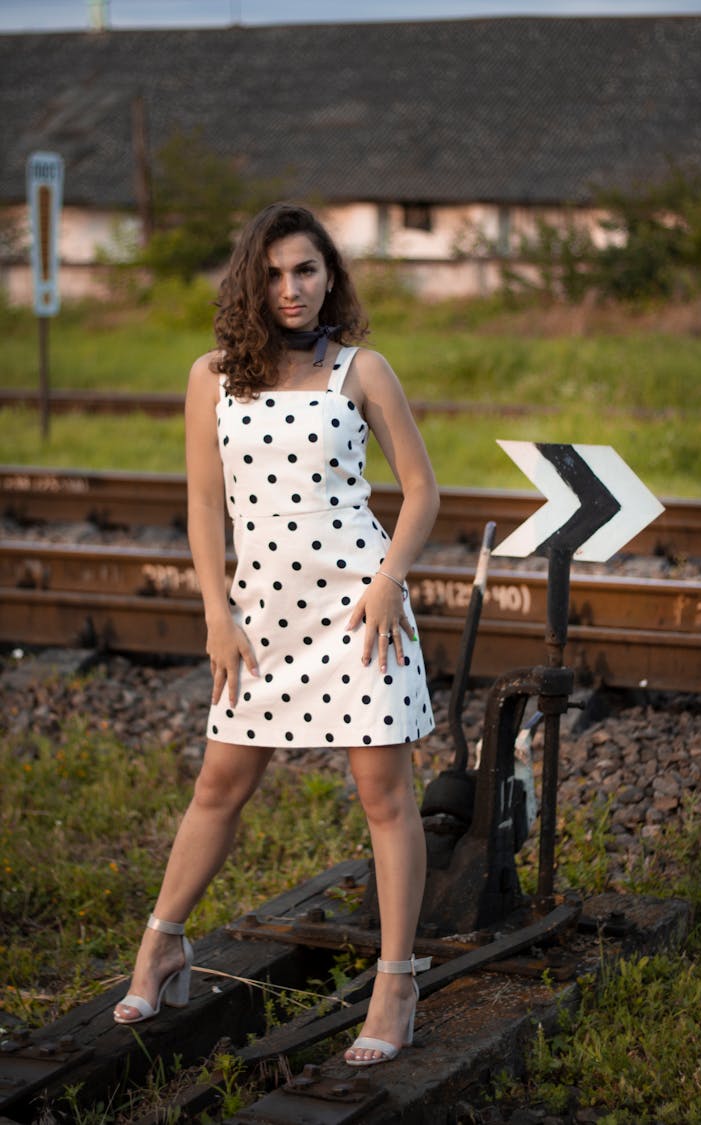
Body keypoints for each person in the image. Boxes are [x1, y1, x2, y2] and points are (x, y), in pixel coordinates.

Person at [113, 202, 440, 1066]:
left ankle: (396, 980)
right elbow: (202, 505)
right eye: (273, 272)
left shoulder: (362, 370)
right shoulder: (211, 375)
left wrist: (388, 582)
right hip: (258, 616)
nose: (290, 288)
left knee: (385, 798)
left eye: (305, 270)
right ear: (249, 280)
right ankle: (163, 941)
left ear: (330, 276)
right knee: (219, 783)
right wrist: (215, 612)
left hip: (358, 609)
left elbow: (422, 489)